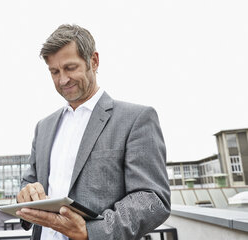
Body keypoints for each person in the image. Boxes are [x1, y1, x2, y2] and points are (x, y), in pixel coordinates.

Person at [16, 24, 170, 240]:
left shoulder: (136, 119)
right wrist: (25, 194)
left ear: (94, 61)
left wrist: (90, 232)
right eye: (54, 71)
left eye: (70, 68)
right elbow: (29, 182)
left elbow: (152, 199)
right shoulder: (43, 127)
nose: (62, 80)